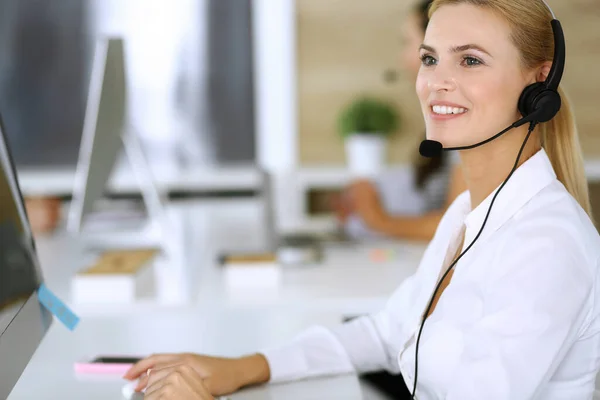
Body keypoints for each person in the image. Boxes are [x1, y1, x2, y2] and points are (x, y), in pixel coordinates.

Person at [124, 0, 600, 399]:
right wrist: (244, 367)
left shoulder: (546, 246)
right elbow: (385, 331)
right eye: (430, 58)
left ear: (540, 84)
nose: (436, 82)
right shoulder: (469, 215)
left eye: (470, 60)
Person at [334, 0, 466, 242]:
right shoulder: (445, 125)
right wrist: (368, 194)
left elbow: (458, 226)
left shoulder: (469, 125)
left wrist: (377, 219)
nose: (402, 58)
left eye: (407, 43)